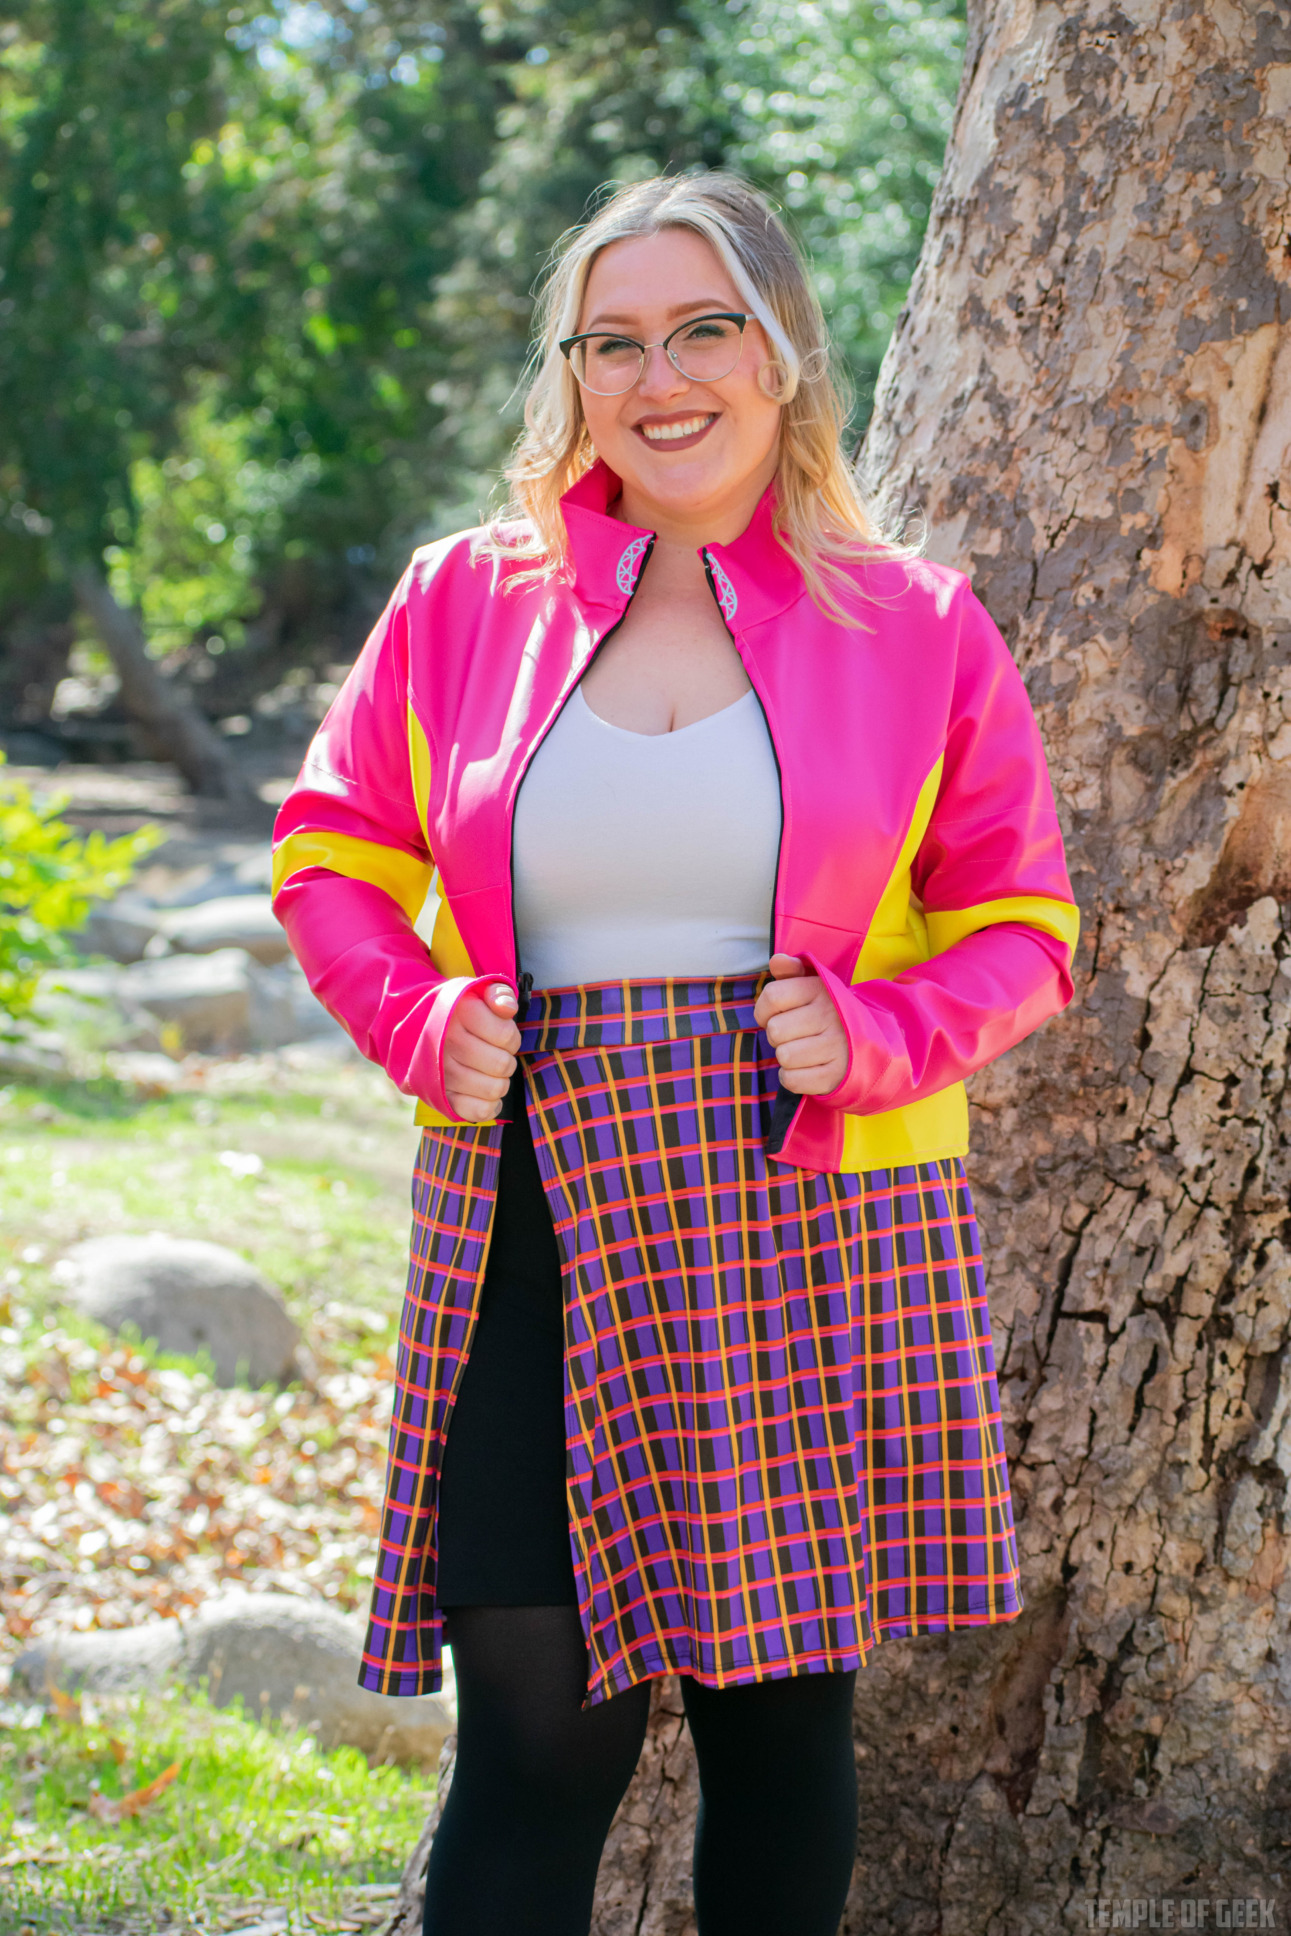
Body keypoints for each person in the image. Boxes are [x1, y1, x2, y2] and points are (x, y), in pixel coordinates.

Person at [271, 172, 1079, 1936]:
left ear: (784, 354)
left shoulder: (917, 624)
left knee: (781, 1739)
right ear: (575, 375)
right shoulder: (461, 599)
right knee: (537, 1747)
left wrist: (879, 1031)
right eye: (614, 340)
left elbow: (1027, 930)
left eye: (705, 327)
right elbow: (330, 856)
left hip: (813, 1207)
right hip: (528, 1208)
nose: (662, 376)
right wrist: (419, 1020)